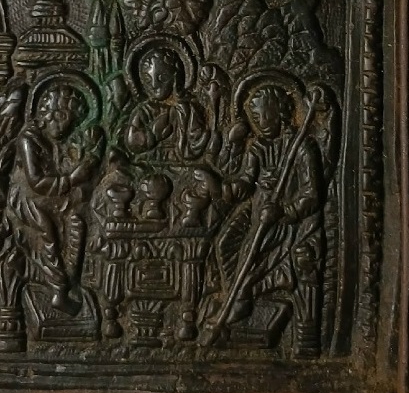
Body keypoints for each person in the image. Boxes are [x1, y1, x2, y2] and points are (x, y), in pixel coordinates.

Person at [202, 84, 325, 352]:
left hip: (285, 222)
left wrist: (286, 211)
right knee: (225, 243)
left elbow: (312, 194)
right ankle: (235, 294)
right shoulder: (257, 147)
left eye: (264, 115)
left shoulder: (301, 148)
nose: (259, 122)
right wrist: (227, 189)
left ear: (280, 113)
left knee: (251, 252)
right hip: (258, 214)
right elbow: (247, 181)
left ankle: (240, 300)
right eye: (255, 117)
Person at [8, 82, 103, 315]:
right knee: (47, 230)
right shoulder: (28, 140)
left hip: (52, 195)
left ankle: (71, 278)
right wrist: (71, 179)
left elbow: (63, 166)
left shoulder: (57, 141)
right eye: (63, 120)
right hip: (28, 199)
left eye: (71, 124)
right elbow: (36, 181)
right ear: (49, 114)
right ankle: (58, 290)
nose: (65, 129)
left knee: (77, 219)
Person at [123, 46, 209, 165]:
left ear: (175, 78)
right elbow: (132, 142)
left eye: (162, 78)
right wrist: (151, 135)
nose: (154, 85)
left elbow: (196, 140)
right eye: (148, 79)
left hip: (180, 165)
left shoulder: (187, 109)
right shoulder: (143, 111)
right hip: (149, 163)